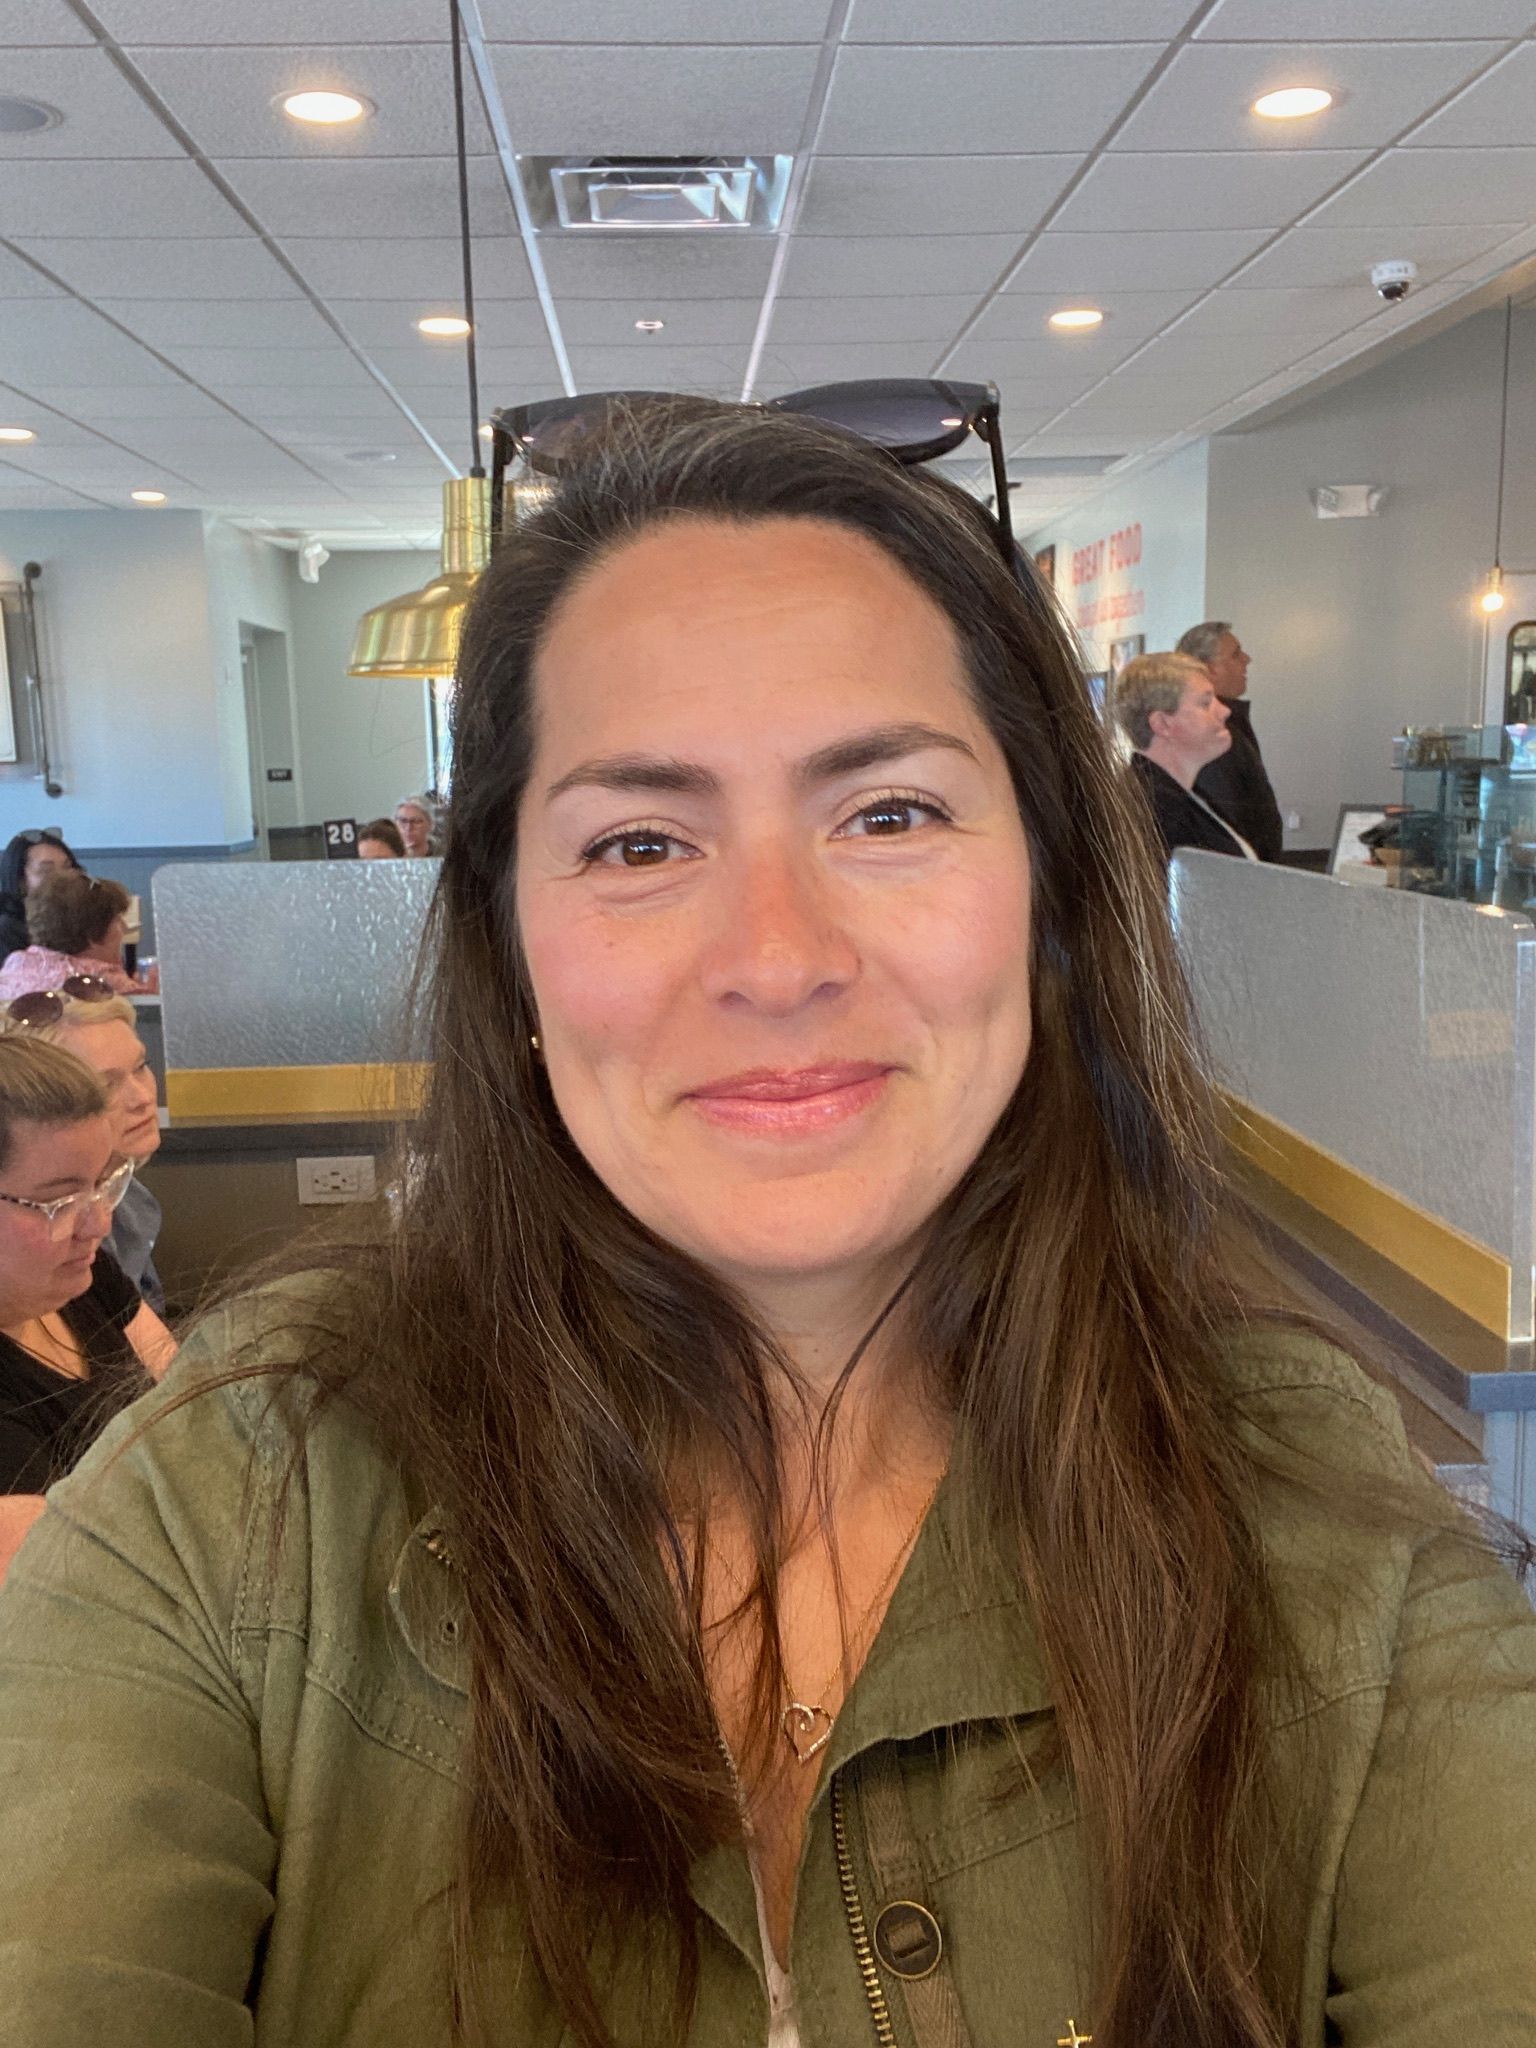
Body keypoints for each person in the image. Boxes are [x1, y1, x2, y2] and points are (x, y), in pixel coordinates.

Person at [0, 402, 1531, 2047]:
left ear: (1048, 893)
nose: (780, 957)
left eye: (889, 813)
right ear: (510, 946)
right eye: (640, 841)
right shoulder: (238, 1501)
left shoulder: (1316, 1515)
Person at [0, 1036, 174, 1585]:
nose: (98, 1223)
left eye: (104, 1183)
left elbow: (186, 1397)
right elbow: (77, 1582)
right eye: (60, 1201)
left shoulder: (80, 1278)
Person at [8, 984, 167, 1313]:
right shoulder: (55, 1245)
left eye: (140, 1067)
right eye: (105, 1084)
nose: (142, 1098)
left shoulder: (130, 1193)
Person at [1117, 650, 1258, 862]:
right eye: (1205, 703)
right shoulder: (1155, 810)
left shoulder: (1178, 793)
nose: (1225, 711)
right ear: (1162, 724)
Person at [1176, 620, 1285, 861]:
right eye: (1236, 654)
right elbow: (1226, 817)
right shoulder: (1211, 733)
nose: (1247, 659)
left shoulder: (1232, 725)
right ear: (1207, 668)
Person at [0, 870, 136, 998]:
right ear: (93, 932)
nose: (124, 927)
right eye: (117, 920)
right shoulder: (105, 980)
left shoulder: (17, 963)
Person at [0, 828, 81, 961]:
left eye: (67, 867)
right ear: (20, 881)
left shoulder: (80, 918)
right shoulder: (6, 931)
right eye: (46, 871)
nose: (62, 877)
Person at [393, 793, 441, 857]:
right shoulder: (387, 855)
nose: (408, 827)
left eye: (416, 821)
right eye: (403, 821)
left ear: (430, 824)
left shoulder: (444, 856)